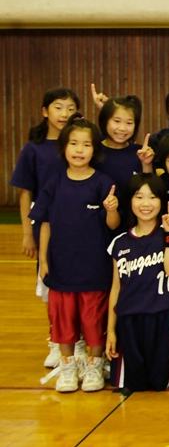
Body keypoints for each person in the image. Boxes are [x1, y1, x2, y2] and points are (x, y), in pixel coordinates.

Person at [31, 114, 119, 392]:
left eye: (86, 144)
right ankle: (68, 367)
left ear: (95, 150)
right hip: (61, 268)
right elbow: (44, 223)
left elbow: (113, 226)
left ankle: (94, 366)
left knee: (93, 319)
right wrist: (43, 260)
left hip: (95, 269)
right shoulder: (54, 183)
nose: (79, 150)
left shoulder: (103, 182)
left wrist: (112, 209)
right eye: (73, 143)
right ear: (63, 147)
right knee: (63, 319)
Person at [9, 88, 80, 367]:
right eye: (58, 107)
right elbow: (25, 193)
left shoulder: (80, 144)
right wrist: (28, 234)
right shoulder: (34, 149)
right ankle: (56, 339)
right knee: (53, 286)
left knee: (82, 286)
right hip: (48, 228)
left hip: (81, 227)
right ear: (44, 111)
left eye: (71, 108)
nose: (64, 114)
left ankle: (80, 340)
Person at [106, 173, 169, 392]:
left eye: (152, 197)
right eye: (139, 197)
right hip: (129, 320)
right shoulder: (119, 243)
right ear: (130, 201)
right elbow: (116, 288)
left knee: (160, 385)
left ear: (162, 201)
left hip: (162, 318)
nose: (146, 203)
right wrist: (111, 330)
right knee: (134, 385)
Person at [94, 95, 155, 235]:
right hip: (96, 226)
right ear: (105, 121)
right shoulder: (94, 150)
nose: (122, 128)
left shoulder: (140, 152)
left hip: (132, 228)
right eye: (117, 121)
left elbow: (150, 189)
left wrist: (146, 164)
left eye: (129, 123)